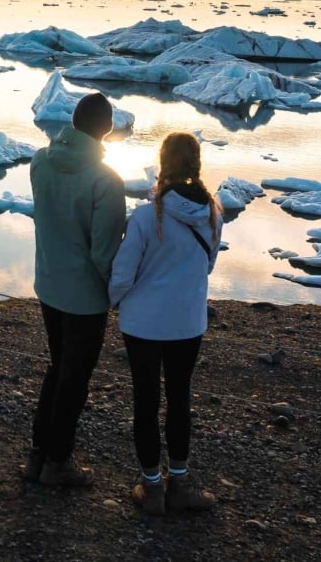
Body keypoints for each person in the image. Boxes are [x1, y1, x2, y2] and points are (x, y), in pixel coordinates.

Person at [108, 132, 221, 516]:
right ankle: (181, 482)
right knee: (179, 398)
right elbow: (207, 265)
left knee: (145, 399)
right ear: (196, 163)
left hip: (142, 324)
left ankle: (152, 488)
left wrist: (115, 300)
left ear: (163, 163)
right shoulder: (212, 214)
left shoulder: (145, 216)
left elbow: (124, 272)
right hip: (187, 323)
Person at [25, 92, 127, 487]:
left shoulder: (39, 162)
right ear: (106, 128)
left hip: (48, 285)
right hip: (84, 298)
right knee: (74, 378)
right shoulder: (106, 180)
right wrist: (116, 292)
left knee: (57, 368)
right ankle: (58, 463)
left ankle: (38, 453)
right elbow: (104, 253)